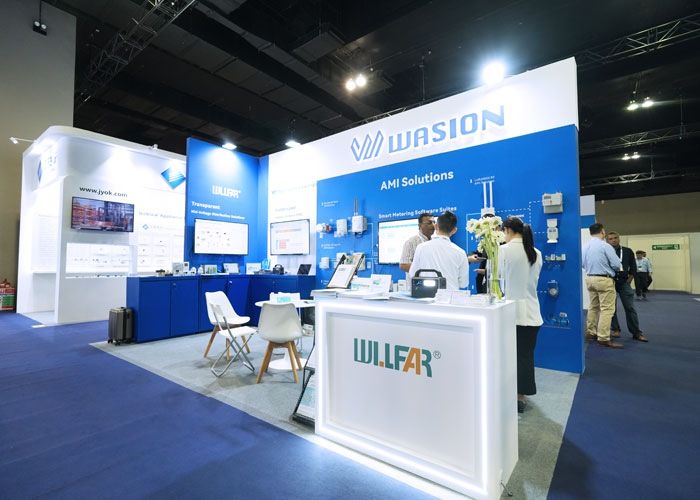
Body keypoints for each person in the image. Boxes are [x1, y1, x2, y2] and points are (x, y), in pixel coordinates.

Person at [498, 216, 543, 413]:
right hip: (532, 313)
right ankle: (520, 397)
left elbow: (497, 278)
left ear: (507, 230)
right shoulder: (536, 253)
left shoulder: (503, 250)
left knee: (506, 356)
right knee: (525, 356)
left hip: (509, 313)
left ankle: (507, 393)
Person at [582, 223, 624, 348]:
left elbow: (582, 264)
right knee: (607, 309)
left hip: (590, 278)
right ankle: (603, 338)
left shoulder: (584, 246)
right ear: (602, 232)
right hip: (604, 280)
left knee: (593, 307)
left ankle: (591, 332)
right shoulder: (605, 246)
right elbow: (616, 264)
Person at [409, 211, 469, 290]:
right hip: (451, 296)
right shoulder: (460, 252)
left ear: (436, 226)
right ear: (454, 230)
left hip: (425, 295)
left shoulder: (421, 247)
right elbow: (463, 283)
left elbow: (413, 274)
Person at [605, 232, 648, 342]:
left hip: (624, 282)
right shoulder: (604, 251)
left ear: (619, 239)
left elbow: (633, 267)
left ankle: (636, 332)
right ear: (607, 241)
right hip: (610, 282)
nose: (613, 240)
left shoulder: (627, 251)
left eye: (615, 238)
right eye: (610, 239)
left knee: (630, 308)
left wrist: (629, 279)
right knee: (611, 308)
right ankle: (615, 329)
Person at [399, 213, 435, 280]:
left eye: (434, 222)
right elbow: (403, 265)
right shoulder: (411, 242)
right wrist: (426, 271)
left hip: (432, 281)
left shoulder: (434, 242)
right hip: (416, 283)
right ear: (420, 226)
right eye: (429, 223)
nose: (433, 225)